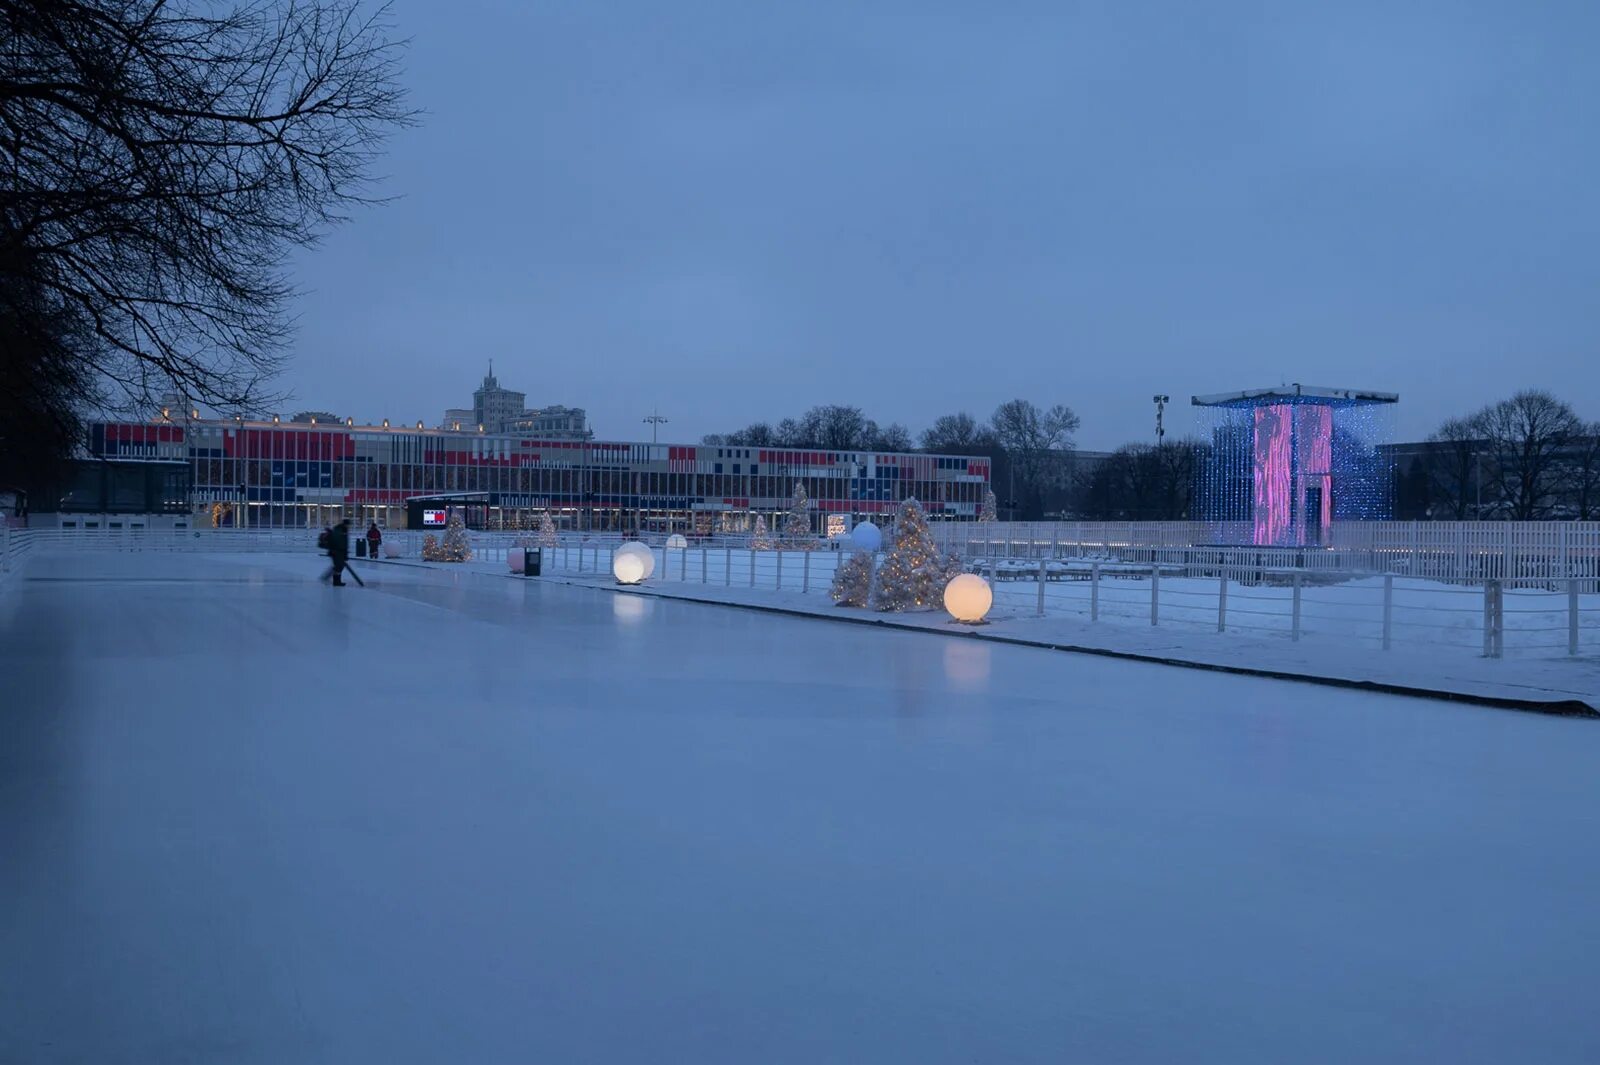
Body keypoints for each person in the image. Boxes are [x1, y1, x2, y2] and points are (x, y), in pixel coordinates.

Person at [321, 519, 351, 586]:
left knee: (339, 566)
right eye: (348, 525)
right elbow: (341, 542)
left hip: (338, 551)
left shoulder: (341, 530)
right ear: (346, 524)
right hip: (337, 551)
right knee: (339, 566)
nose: (349, 526)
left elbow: (344, 543)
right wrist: (344, 553)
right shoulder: (341, 530)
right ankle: (336, 581)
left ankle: (336, 581)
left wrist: (345, 553)